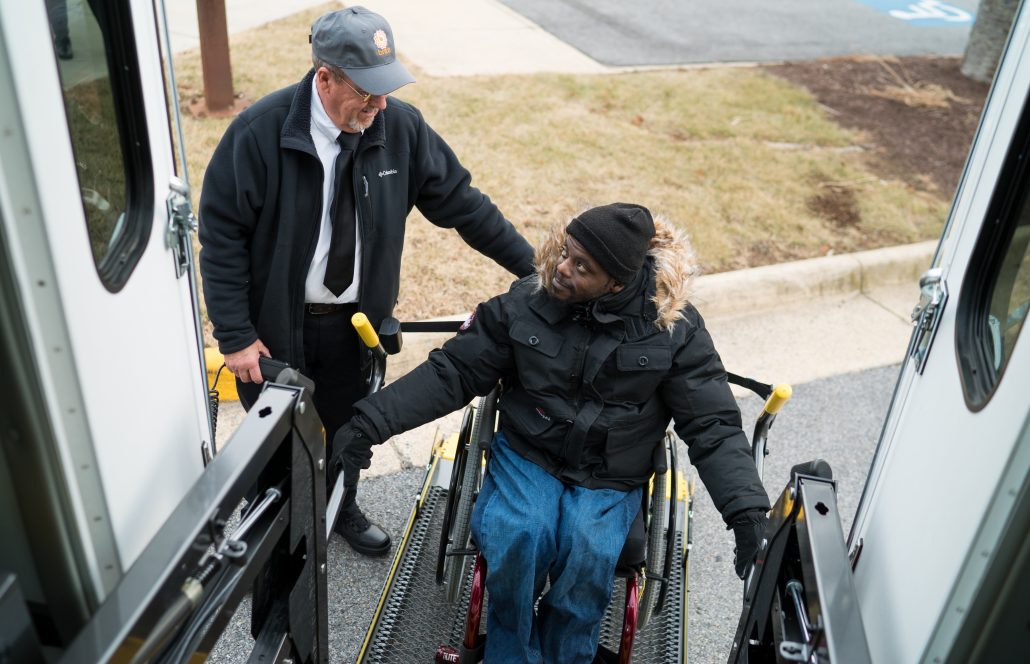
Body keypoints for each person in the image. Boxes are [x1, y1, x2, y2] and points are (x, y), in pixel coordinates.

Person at [332, 203, 772, 662]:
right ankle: (511, 652)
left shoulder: (674, 330)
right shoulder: (526, 301)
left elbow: (712, 425)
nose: (562, 269)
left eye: (582, 267)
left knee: (587, 551)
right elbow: (454, 372)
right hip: (529, 453)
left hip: (610, 472)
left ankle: (567, 654)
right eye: (566, 252)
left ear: (617, 283)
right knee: (520, 533)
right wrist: (369, 423)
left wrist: (746, 516)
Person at [198, 6, 534, 557]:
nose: (378, 106)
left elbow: (465, 207)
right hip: (277, 331)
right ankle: (267, 538)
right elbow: (223, 237)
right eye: (366, 92)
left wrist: (535, 273)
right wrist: (235, 335)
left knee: (349, 431)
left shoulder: (400, 127)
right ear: (324, 77)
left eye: (386, 89)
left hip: (355, 327)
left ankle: (340, 506)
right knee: (274, 445)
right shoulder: (259, 133)